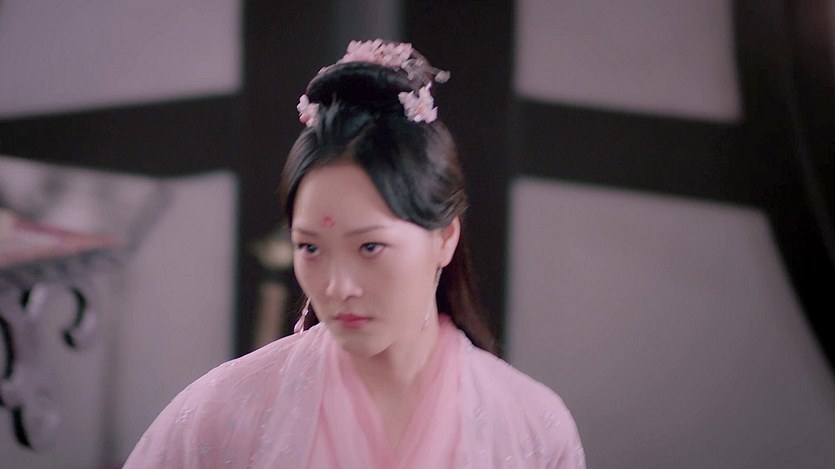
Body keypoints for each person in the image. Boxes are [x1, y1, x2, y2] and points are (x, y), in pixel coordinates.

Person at [124, 39, 585, 468]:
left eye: (370, 247)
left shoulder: (532, 428)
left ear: (445, 238)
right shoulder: (223, 414)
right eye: (310, 247)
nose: (337, 286)